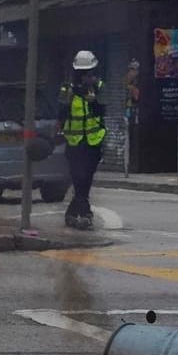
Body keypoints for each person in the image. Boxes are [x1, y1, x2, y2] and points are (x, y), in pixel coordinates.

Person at [59, 50, 106, 230]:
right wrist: (69, 98)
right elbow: (61, 112)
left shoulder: (100, 86)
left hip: (93, 141)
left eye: (89, 73)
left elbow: (103, 110)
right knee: (78, 177)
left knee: (86, 179)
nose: (86, 77)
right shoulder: (67, 88)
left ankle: (73, 212)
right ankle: (85, 212)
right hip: (74, 141)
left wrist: (92, 99)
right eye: (82, 73)